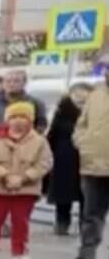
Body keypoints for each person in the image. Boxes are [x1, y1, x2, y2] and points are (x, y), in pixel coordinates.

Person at [0, 101, 53, 259]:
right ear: (7, 120)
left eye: (23, 117)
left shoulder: (40, 141)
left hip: (25, 190)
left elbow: (45, 163)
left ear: (30, 120)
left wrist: (25, 177)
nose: (18, 121)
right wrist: (4, 175)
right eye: (14, 117)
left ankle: (20, 255)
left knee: (21, 223)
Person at [60, 82, 109, 259]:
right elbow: (82, 124)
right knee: (91, 215)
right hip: (93, 164)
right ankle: (86, 258)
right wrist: (83, 142)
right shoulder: (96, 95)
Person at [46, 82, 90, 236]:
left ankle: (86, 225)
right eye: (77, 94)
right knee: (63, 193)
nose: (80, 98)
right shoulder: (62, 111)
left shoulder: (97, 112)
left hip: (88, 157)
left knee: (88, 193)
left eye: (84, 95)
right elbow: (52, 134)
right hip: (64, 157)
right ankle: (62, 222)